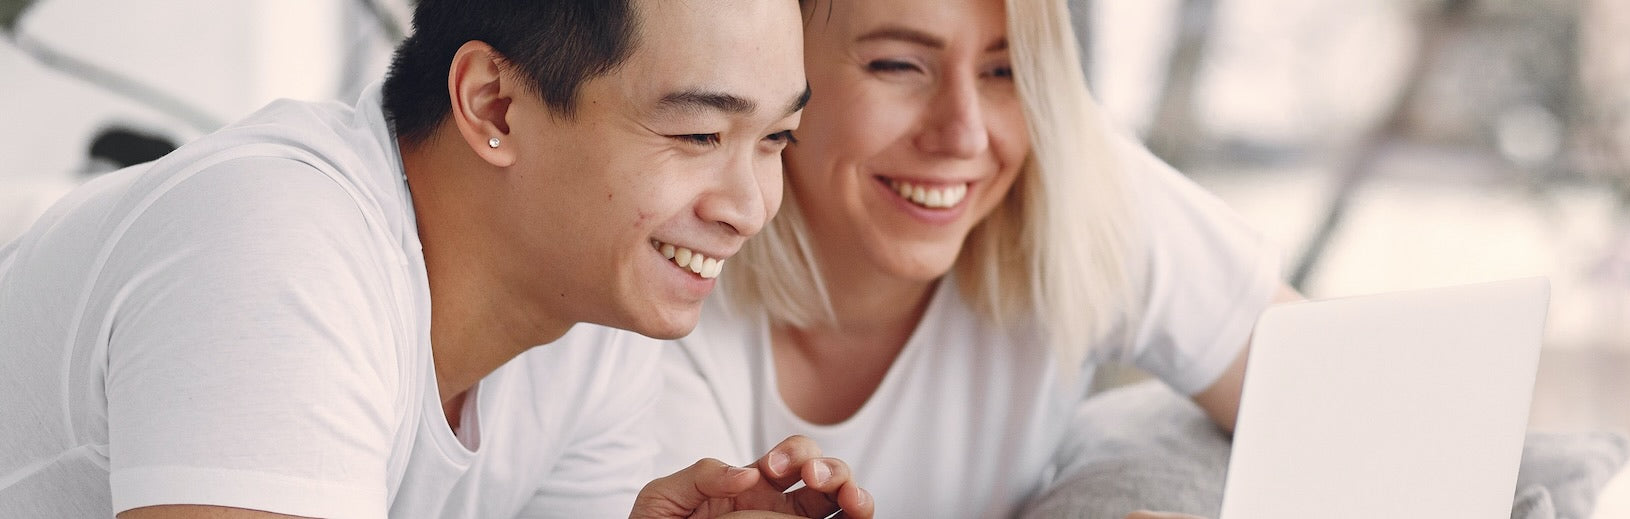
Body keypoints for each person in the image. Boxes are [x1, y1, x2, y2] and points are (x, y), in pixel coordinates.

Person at [0, 1, 873, 518]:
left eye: (776, 138)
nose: (752, 206)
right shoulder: (279, 252)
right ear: (493, 103)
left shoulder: (593, 323)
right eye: (699, 133)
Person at [646, 0, 1300, 517]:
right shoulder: (656, 259)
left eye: (1004, 70)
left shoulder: (1077, 184)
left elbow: (1358, 404)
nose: (964, 133)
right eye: (898, 65)